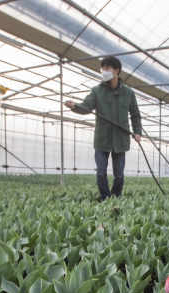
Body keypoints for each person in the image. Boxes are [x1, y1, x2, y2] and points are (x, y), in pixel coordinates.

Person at [65, 56, 142, 201]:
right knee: (101, 173)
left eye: (107, 68)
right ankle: (105, 199)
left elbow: (135, 116)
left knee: (119, 175)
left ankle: (116, 199)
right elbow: (86, 106)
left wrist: (137, 132)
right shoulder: (97, 91)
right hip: (102, 139)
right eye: (103, 68)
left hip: (120, 139)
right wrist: (74, 106)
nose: (104, 71)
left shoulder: (129, 93)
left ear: (116, 71)